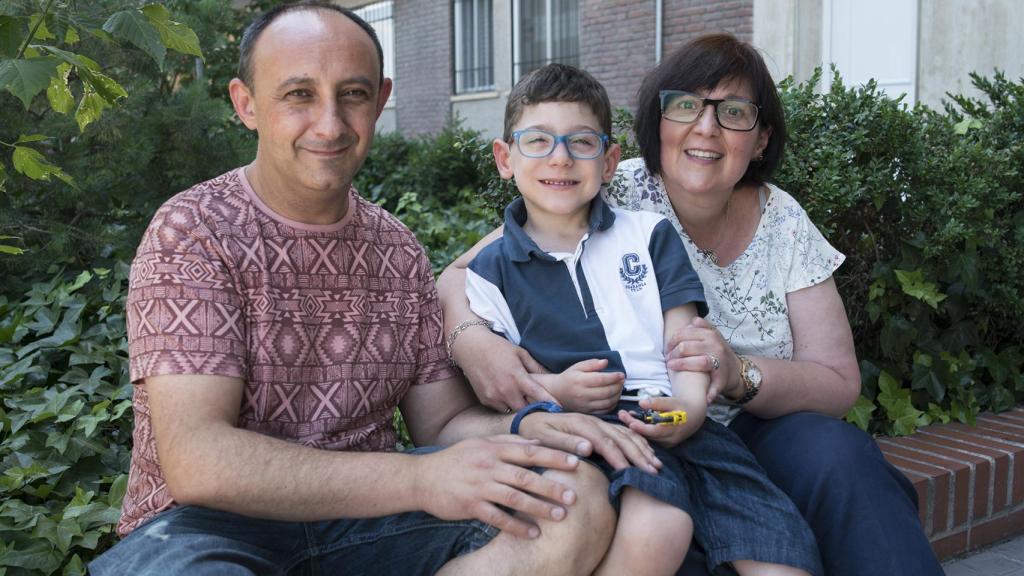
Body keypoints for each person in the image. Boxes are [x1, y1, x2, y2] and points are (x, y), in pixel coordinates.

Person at [88, 3, 638, 574]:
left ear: (380, 100)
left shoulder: (396, 248)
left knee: (572, 502)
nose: (329, 123)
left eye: (352, 94)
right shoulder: (195, 229)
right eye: (299, 94)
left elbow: (441, 424)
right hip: (202, 531)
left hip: (370, 520)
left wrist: (526, 426)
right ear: (246, 104)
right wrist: (421, 476)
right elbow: (200, 461)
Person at [437, 34, 943, 575]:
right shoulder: (612, 189)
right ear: (658, 124)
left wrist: (735, 374)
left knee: (843, 460)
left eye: (734, 112)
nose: (707, 127)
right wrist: (472, 338)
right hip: (635, 421)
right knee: (661, 521)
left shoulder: (784, 220)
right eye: (686, 106)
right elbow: (462, 272)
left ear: (762, 138)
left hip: (749, 426)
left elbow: (838, 382)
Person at [462, 62, 820, 576]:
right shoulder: (489, 273)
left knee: (781, 556)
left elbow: (687, 339)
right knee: (660, 527)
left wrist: (691, 408)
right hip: (585, 432)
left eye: (581, 143)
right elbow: (503, 382)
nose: (560, 159)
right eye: (538, 141)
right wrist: (556, 390)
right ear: (505, 158)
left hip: (679, 420)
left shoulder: (647, 235)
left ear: (609, 162)